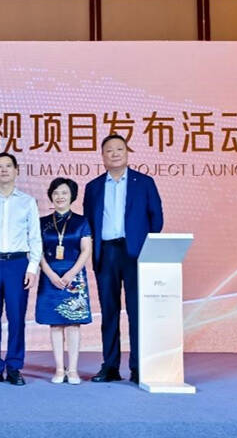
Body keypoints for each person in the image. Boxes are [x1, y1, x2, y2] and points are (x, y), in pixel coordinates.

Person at [83, 134, 163, 385]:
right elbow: (89, 223)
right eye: (109, 150)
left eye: (120, 149)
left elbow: (156, 219)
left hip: (135, 254)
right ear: (102, 156)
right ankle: (110, 366)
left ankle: (139, 366)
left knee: (137, 311)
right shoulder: (93, 187)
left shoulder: (144, 182)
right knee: (109, 311)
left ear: (127, 153)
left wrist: (144, 247)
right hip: (106, 253)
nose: (115, 154)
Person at [0, 152, 42, 386]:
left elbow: (35, 237)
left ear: (16, 170)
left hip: (18, 264)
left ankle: (14, 367)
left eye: (8, 166)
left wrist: (32, 267)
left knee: (16, 317)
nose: (4, 170)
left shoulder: (28, 202)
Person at [35, 177, 92, 385]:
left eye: (64, 193)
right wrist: (50, 274)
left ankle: (73, 370)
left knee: (73, 324)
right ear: (51, 195)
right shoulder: (42, 222)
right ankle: (59, 369)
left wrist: (71, 274)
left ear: (72, 196)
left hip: (74, 278)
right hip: (50, 275)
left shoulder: (81, 221)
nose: (60, 196)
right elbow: (37, 251)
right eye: (56, 193)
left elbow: (86, 250)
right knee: (56, 324)